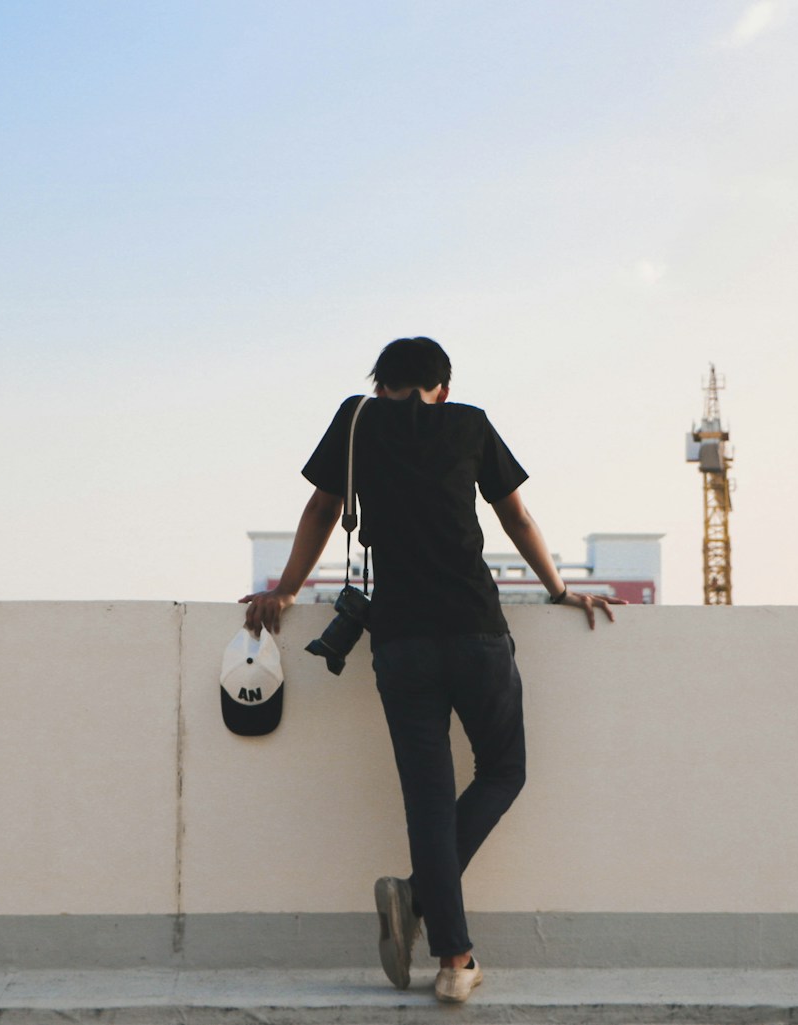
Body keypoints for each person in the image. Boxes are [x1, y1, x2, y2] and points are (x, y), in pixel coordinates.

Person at [240, 337, 621, 1004]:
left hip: (400, 638)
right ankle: (416, 902)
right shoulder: (467, 422)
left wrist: (287, 590)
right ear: (442, 387)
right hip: (474, 626)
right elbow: (516, 514)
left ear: (380, 382)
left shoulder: (356, 420)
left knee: (427, 798)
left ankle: (454, 957)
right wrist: (560, 591)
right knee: (504, 770)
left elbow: (323, 509)